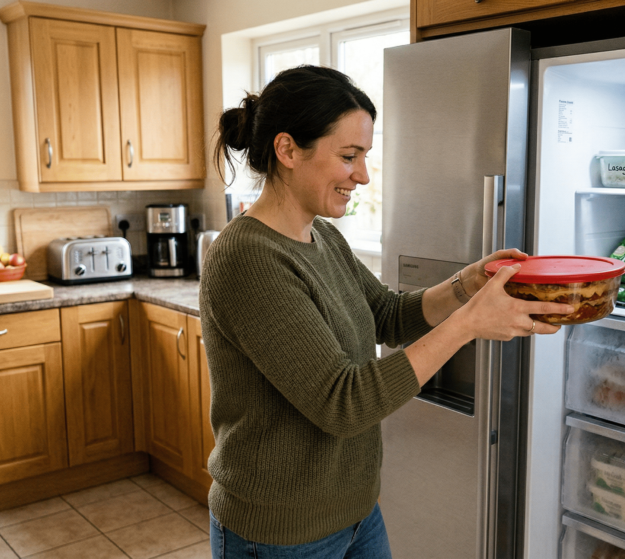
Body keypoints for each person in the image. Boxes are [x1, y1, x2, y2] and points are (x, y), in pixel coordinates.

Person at [200, 65, 576, 559]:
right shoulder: (247, 258)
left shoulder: (322, 236)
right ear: (288, 150)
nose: (362, 174)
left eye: (365, 157)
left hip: (356, 513)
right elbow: (344, 403)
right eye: (349, 156)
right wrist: (469, 325)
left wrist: (468, 282)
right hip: (279, 533)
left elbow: (389, 315)